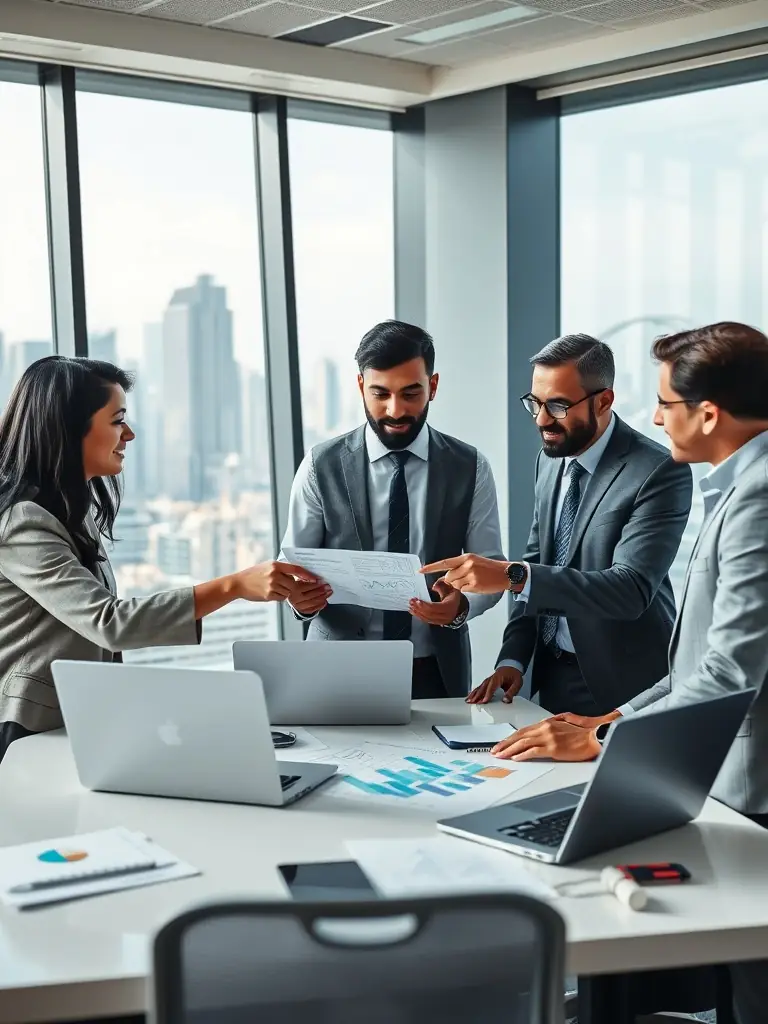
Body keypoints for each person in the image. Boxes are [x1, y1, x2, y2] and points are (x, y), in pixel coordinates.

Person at [491, 322, 768, 1024]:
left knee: (753, 986)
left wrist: (607, 737)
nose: (654, 415)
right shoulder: (736, 485)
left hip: (749, 779)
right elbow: (696, 658)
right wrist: (611, 722)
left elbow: (730, 673)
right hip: (704, 751)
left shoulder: (757, 498)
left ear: (708, 414)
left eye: (666, 402)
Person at [0, 356, 315, 762]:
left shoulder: (68, 510)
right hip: (29, 728)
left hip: (77, 717)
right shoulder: (22, 521)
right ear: (69, 429)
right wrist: (234, 586)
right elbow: (108, 622)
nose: (129, 434)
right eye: (117, 421)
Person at [422, 333, 692, 716]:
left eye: (559, 406)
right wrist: (512, 659)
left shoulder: (658, 471)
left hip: (624, 686)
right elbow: (538, 560)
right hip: (549, 677)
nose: (543, 420)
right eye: (536, 403)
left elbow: (629, 590)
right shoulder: (550, 460)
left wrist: (511, 575)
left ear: (603, 401)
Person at [281, 320, 505, 699]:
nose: (395, 410)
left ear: (433, 387)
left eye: (411, 393)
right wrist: (298, 598)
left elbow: (491, 568)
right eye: (379, 393)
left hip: (436, 670)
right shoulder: (320, 465)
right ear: (359, 387)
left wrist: (461, 607)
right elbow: (292, 564)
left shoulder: (471, 466)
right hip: (337, 667)